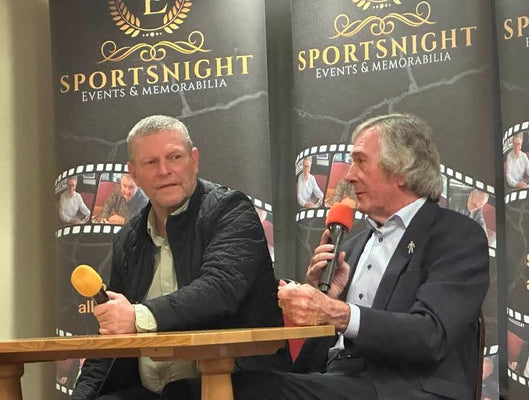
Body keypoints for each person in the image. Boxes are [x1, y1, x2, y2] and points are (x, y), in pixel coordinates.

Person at [229, 114, 490, 399]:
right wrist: (324, 298)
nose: (349, 176)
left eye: (361, 161)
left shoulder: (457, 236)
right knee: (205, 387)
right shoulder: (351, 247)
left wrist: (337, 312)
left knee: (244, 391)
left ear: (402, 171)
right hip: (335, 380)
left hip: (403, 387)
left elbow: (431, 334)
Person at [72, 115, 289, 400]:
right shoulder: (129, 238)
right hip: (150, 393)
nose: (164, 171)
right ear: (133, 173)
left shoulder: (231, 211)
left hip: (234, 384)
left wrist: (138, 317)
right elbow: (113, 339)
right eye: (151, 162)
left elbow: (219, 289)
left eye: (174, 157)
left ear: (194, 160)